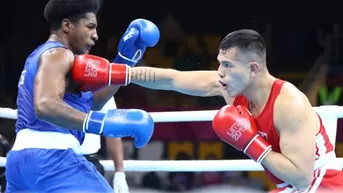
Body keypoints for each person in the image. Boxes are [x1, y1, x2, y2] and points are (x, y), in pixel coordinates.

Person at [128, 29, 343, 192]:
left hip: (322, 183)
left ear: (252, 69)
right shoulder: (230, 87)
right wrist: (122, 73)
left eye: (228, 65)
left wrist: (251, 143)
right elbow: (172, 79)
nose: (220, 72)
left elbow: (301, 178)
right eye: (220, 63)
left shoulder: (289, 104)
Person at [5, 0, 159, 192]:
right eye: (90, 27)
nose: (95, 35)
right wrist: (99, 124)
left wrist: (125, 61)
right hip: (53, 159)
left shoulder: (41, 55)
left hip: (20, 162)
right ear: (67, 26)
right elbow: (44, 104)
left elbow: (94, 101)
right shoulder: (59, 54)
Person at [80, 96, 129, 193]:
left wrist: (119, 172)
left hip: (89, 161)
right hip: (55, 157)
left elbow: (112, 130)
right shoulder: (51, 84)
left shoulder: (102, 89)